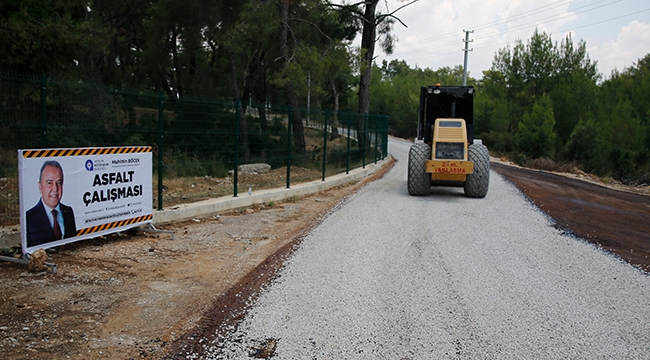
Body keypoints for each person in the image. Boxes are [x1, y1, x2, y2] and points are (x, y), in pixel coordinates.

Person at [26, 160, 77, 247]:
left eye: (59, 183)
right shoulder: (29, 218)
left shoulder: (68, 212)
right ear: (40, 187)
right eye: (49, 183)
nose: (55, 189)